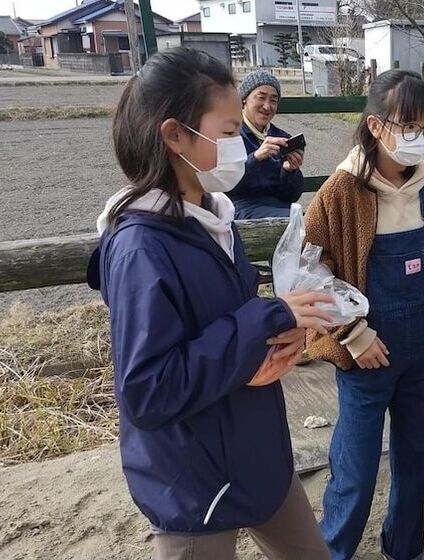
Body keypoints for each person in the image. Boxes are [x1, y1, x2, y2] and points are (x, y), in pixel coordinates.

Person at [86, 48, 332, 560]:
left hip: (257, 452)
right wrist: (268, 316)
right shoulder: (141, 248)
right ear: (175, 135)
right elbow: (148, 391)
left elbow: (222, 326)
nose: (239, 146)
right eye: (225, 133)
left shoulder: (212, 216)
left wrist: (277, 338)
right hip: (193, 480)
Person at [304, 69, 424, 560]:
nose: (420, 138)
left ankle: (404, 550)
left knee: (416, 467)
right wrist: (352, 334)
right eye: (409, 126)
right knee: (355, 473)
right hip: (365, 361)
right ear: (375, 125)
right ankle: (333, 552)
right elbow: (309, 273)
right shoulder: (340, 195)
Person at [230, 70, 305, 218]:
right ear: (244, 100)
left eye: (273, 100)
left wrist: (290, 171)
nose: (267, 106)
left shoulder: (282, 138)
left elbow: (292, 195)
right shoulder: (230, 134)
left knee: (313, 220)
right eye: (261, 98)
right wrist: (256, 158)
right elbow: (225, 184)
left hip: (278, 208)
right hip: (239, 207)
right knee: (300, 221)